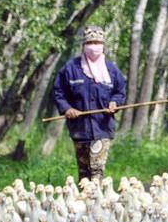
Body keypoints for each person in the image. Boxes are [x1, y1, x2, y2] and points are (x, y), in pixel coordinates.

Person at [52, 25, 127, 182]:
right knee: (84, 173)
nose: (94, 47)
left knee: (96, 170)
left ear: (103, 45)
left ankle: (96, 203)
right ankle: (84, 204)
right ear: (84, 45)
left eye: (97, 43)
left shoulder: (111, 69)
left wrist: (114, 102)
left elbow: (120, 92)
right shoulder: (71, 68)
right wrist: (67, 108)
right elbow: (59, 92)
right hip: (79, 129)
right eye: (90, 42)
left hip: (102, 128)